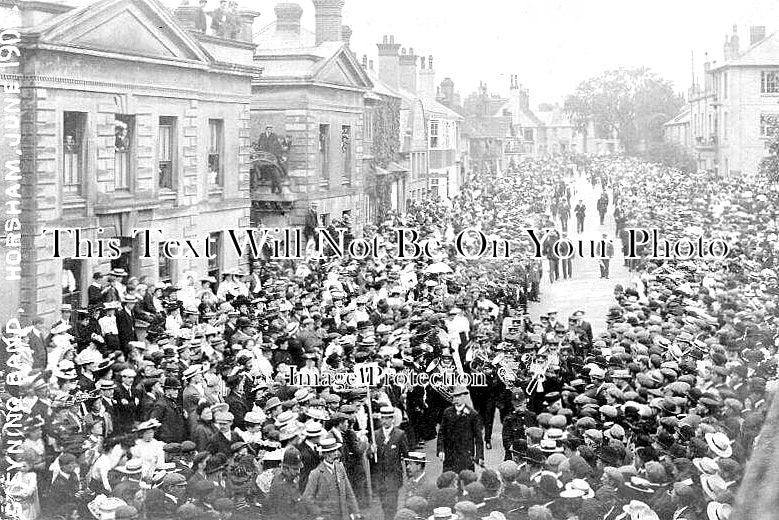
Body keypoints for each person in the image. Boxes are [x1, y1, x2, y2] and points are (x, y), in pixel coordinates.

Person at [302, 437, 361, 520]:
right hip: (327, 516)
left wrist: (355, 511)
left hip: (343, 515)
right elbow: (307, 498)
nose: (335, 453)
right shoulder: (316, 473)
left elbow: (349, 491)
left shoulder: (340, 468)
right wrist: (318, 514)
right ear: (324, 454)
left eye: (335, 450)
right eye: (331, 451)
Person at [371, 406, 409, 520]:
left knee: (392, 505)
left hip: (393, 476)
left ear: (392, 419)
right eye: (383, 418)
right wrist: (371, 451)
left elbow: (406, 455)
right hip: (380, 477)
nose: (385, 421)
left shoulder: (399, 434)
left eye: (388, 418)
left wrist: (409, 472)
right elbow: (370, 456)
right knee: (384, 503)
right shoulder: (375, 435)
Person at [437, 386, 484, 474]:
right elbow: (441, 433)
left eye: (460, 396)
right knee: (449, 481)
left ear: (465, 397)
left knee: (466, 480)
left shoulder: (473, 414)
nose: (457, 399)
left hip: (466, 454)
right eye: (455, 396)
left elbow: (478, 438)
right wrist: (441, 450)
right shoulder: (447, 412)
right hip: (450, 454)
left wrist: (479, 455)